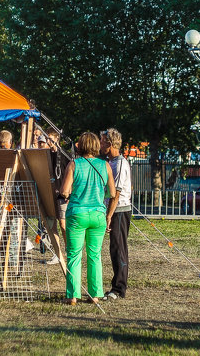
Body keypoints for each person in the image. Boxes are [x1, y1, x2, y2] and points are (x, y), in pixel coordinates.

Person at [60, 131, 117, 305]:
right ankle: (95, 294)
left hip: (77, 213)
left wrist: (70, 193)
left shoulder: (74, 164)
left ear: (81, 146)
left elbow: (64, 191)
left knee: (74, 255)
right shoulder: (105, 165)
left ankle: (73, 295)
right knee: (94, 255)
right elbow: (113, 193)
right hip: (98, 214)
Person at [102, 128, 132, 300]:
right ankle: (116, 285)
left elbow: (117, 193)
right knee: (114, 249)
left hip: (119, 210)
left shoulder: (120, 163)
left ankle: (119, 288)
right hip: (114, 210)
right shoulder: (110, 162)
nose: (99, 144)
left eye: (101, 141)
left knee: (119, 249)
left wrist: (109, 216)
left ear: (110, 143)